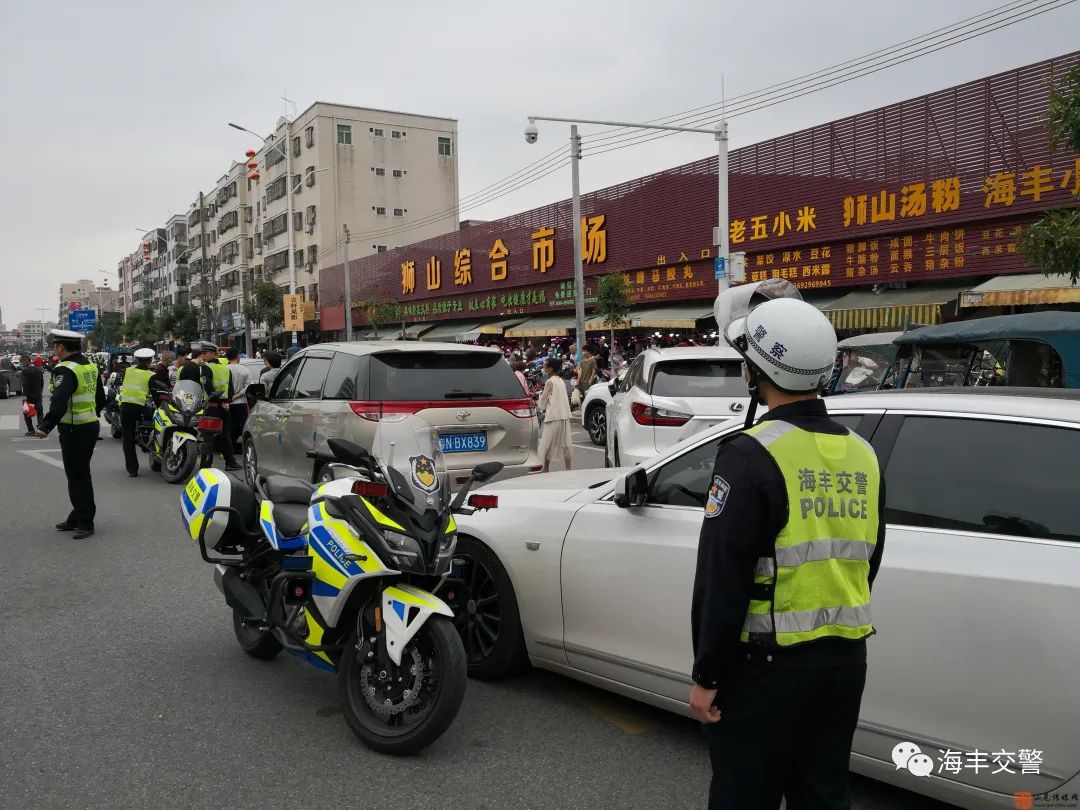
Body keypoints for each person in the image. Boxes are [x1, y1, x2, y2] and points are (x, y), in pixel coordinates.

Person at [690, 295, 885, 810]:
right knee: (822, 795)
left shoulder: (749, 455)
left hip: (764, 670)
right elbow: (869, 559)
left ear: (755, 371)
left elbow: (722, 579)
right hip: (845, 663)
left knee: (742, 797)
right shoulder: (863, 452)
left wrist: (708, 675)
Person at [35, 329, 106, 540]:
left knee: (77, 476)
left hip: (74, 429)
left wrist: (45, 426)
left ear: (61, 347)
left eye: (55, 345)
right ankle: (78, 516)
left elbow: (59, 400)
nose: (54, 349)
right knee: (81, 474)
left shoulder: (65, 369)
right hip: (90, 425)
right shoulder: (90, 365)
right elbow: (100, 396)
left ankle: (85, 521)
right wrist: (94, 414)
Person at [118, 348, 156, 477]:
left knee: (127, 439)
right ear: (150, 361)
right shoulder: (151, 375)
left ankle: (132, 470)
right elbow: (155, 394)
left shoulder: (127, 371)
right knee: (153, 427)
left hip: (125, 407)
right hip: (141, 409)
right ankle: (149, 448)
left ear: (137, 359)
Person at [537, 357, 572, 473]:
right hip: (564, 415)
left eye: (545, 366)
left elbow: (542, 402)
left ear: (550, 368)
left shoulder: (549, 381)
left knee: (546, 443)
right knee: (566, 442)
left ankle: (545, 468)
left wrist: (538, 401)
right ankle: (568, 468)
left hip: (553, 416)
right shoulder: (560, 380)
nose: (544, 367)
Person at [225, 347, 250, 449]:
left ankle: (228, 447)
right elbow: (247, 387)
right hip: (241, 402)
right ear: (237, 357)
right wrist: (237, 396)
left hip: (226, 402)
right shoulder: (245, 370)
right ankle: (246, 446)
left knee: (229, 426)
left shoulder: (224, 369)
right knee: (242, 426)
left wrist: (230, 396)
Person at [20, 353, 44, 435]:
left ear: (26, 361)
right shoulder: (38, 370)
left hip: (28, 395)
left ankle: (31, 430)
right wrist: (40, 392)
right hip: (38, 394)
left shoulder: (24, 371)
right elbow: (42, 383)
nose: (21, 364)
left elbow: (25, 384)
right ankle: (40, 428)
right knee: (40, 412)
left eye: (22, 362)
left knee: (26, 413)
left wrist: (24, 396)